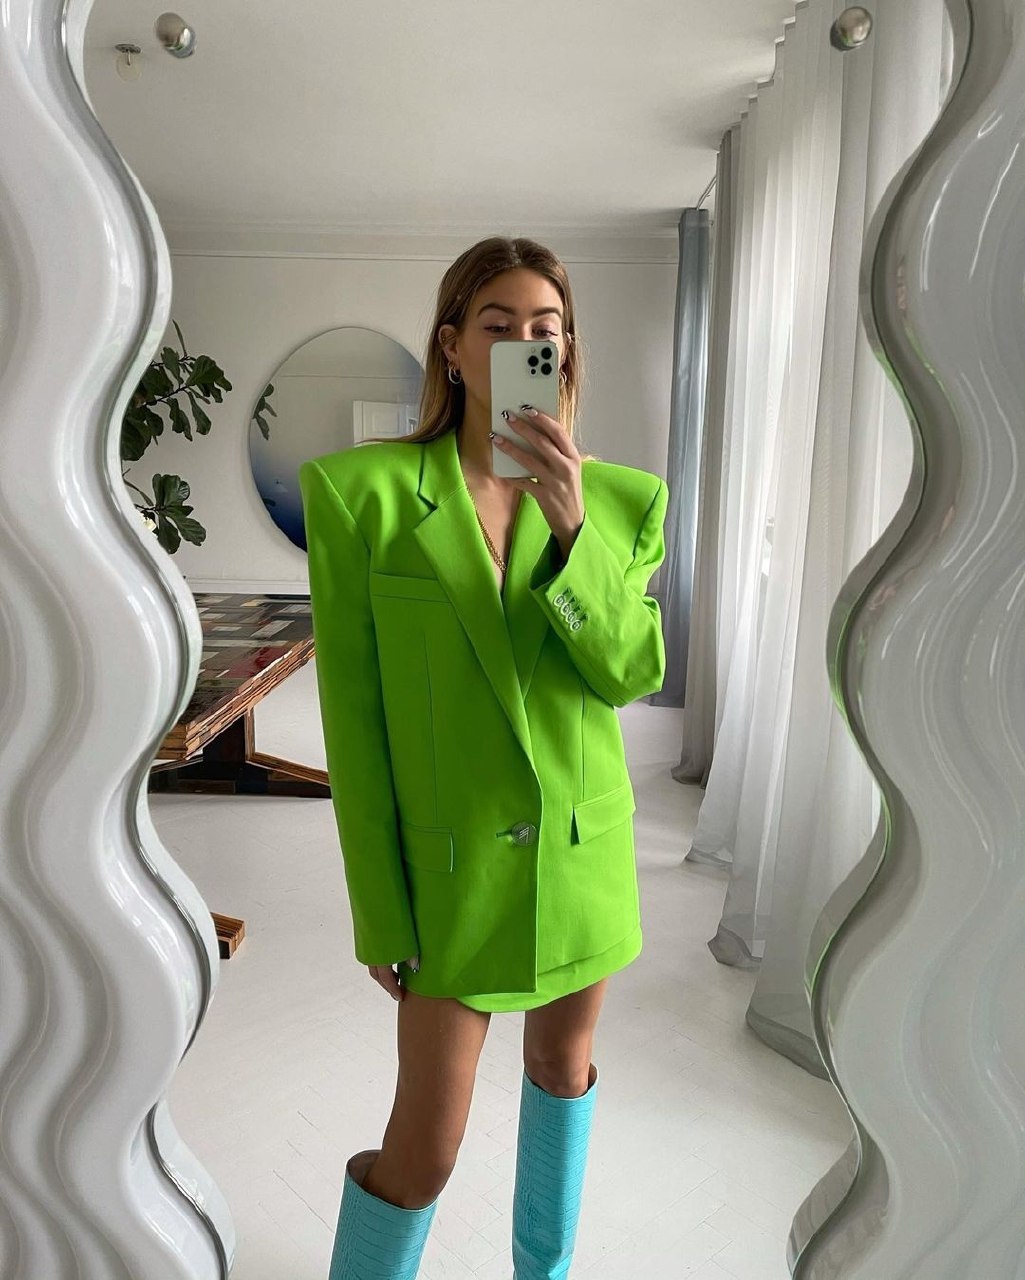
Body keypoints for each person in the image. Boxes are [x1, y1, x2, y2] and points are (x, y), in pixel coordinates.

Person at [298, 236, 670, 1279]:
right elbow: (354, 724)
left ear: (567, 353)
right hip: (450, 874)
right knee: (424, 1148)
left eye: (544, 329)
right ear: (452, 348)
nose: (523, 343)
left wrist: (572, 531)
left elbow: (628, 674)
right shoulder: (360, 496)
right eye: (498, 326)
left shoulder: (624, 503)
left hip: (581, 857)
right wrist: (380, 907)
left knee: (562, 1072)